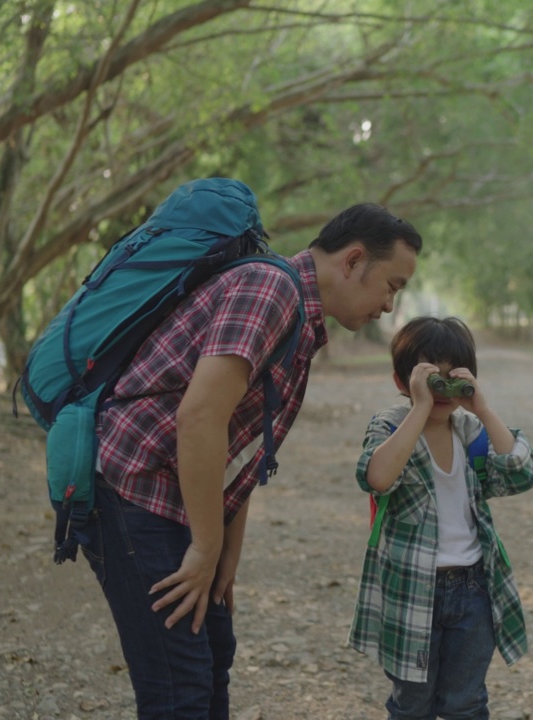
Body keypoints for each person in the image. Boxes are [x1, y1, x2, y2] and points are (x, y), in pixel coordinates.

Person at [85, 201, 422, 719]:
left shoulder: (300, 318)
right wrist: (203, 546)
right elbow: (200, 417)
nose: (388, 306)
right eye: (392, 286)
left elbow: (241, 448)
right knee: (180, 691)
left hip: (176, 496)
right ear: (353, 261)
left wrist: (224, 554)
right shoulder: (272, 291)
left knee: (214, 654)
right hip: (132, 491)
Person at [349, 316, 533, 719]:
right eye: (429, 377)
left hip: (473, 586)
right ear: (402, 382)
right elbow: (377, 477)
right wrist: (420, 406)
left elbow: (523, 472)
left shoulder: (470, 429)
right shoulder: (389, 425)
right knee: (413, 705)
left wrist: (482, 407)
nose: (442, 387)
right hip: (412, 588)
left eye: (450, 375)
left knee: (466, 703)